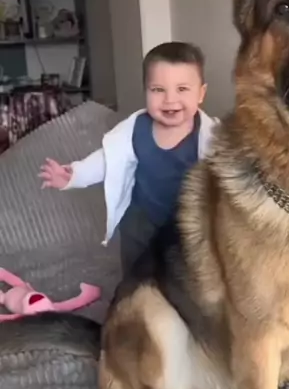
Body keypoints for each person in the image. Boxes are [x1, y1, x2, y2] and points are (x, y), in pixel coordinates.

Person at [39, 41, 217, 274]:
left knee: (187, 273)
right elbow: (108, 158)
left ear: (201, 93)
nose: (170, 100)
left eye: (182, 89)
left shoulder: (212, 137)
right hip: (141, 221)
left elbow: (230, 171)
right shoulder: (135, 128)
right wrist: (75, 174)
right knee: (137, 272)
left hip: (187, 222)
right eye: (158, 90)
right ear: (145, 91)